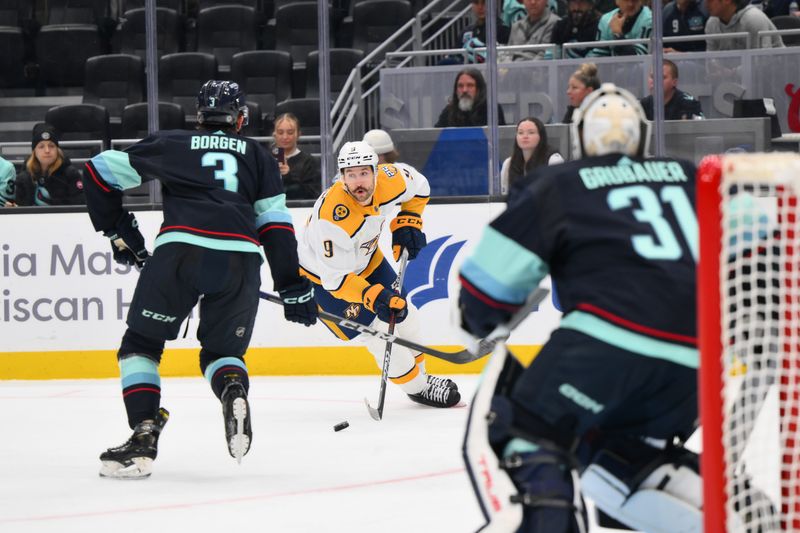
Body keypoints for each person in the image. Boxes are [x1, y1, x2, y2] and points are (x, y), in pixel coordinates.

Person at [457, 83, 703, 532]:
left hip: (609, 342)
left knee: (519, 424)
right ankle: (731, 515)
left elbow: (484, 296)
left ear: (581, 138)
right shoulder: (690, 176)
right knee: (613, 450)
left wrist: (483, 317)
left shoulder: (559, 184)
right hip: (703, 360)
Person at [83, 80, 318, 479]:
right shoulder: (259, 157)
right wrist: (292, 286)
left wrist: (118, 229)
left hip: (181, 252)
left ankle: (143, 434)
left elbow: (97, 172)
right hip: (241, 258)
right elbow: (276, 226)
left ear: (199, 117)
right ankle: (232, 389)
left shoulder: (174, 143)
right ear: (240, 118)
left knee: (141, 343)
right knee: (220, 353)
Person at [297, 140, 461, 408]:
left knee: (404, 313)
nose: (358, 182)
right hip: (325, 280)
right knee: (376, 333)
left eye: (363, 173)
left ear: (376, 170)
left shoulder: (391, 178)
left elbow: (419, 188)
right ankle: (418, 388)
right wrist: (374, 297)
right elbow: (335, 280)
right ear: (341, 178)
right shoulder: (332, 218)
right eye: (350, 175)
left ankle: (423, 376)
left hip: (368, 260)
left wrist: (410, 219)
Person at [14, 123, 84, 207]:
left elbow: (80, 207)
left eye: (51, 146)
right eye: (41, 146)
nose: (47, 150)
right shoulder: (24, 177)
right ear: (34, 151)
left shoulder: (71, 174)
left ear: (57, 150)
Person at [500, 117, 564, 194]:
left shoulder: (553, 160)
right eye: (520, 133)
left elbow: (560, 194)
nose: (525, 136)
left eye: (531, 132)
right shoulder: (508, 163)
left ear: (541, 136)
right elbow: (506, 195)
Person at [271, 112, 321, 200]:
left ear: (298, 134)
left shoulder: (309, 162)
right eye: (280, 132)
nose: (285, 137)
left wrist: (288, 177)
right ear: (275, 135)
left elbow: (312, 194)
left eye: (290, 132)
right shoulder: (265, 160)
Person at [435, 68, 507, 128]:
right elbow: (435, 139)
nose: (464, 90)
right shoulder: (449, 111)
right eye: (460, 86)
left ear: (479, 89)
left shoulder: (492, 110)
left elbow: (502, 140)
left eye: (470, 85)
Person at [639, 59, 704, 120]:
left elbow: (701, 129)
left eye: (662, 77)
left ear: (674, 82)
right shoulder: (643, 105)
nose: (655, 81)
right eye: (652, 77)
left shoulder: (689, 104)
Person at [705, 0, 784, 50]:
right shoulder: (711, 23)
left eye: (710, 0)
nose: (706, 4)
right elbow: (711, 59)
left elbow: (762, 60)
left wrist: (733, 72)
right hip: (733, 75)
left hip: (775, 73)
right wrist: (715, 70)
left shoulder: (753, 19)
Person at [587, 0, 653, 56]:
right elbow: (599, 56)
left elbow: (639, 61)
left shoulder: (649, 20)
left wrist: (618, 34)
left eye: (634, 0)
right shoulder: (606, 20)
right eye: (626, 0)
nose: (630, 4)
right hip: (612, 69)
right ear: (617, 1)